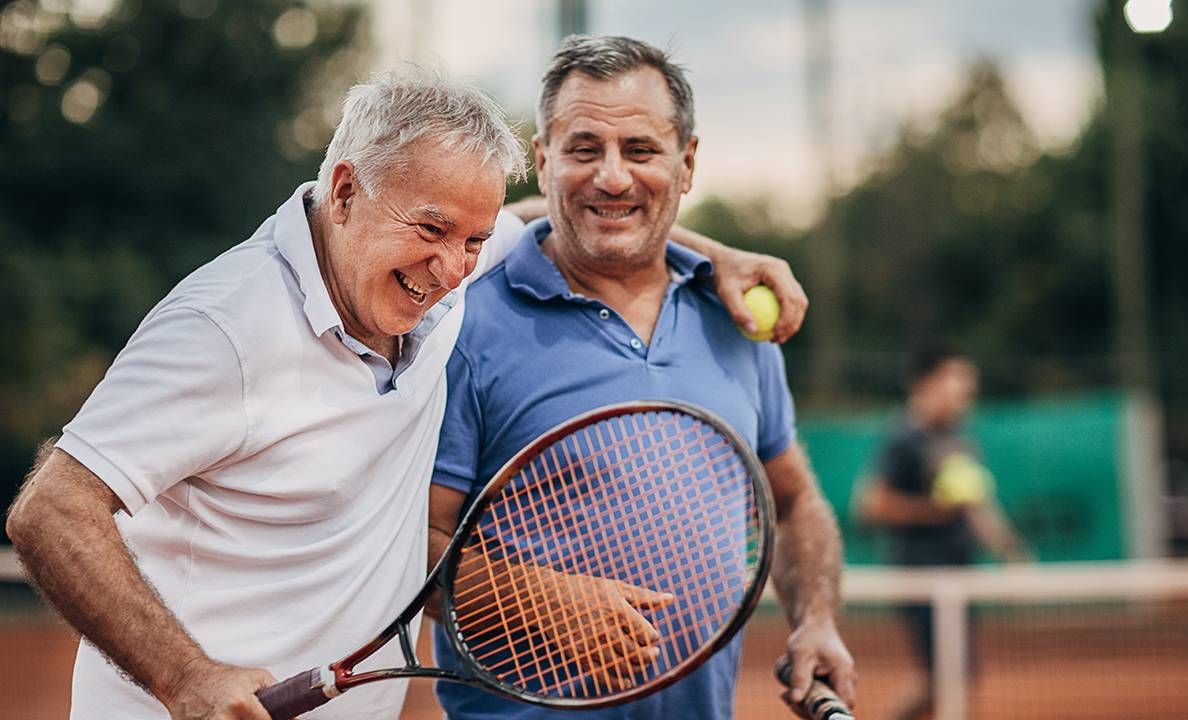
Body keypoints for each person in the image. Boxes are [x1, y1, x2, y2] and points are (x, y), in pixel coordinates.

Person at [5, 66, 808, 720]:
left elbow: (563, 219)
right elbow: (50, 508)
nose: (454, 266)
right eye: (430, 230)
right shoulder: (224, 327)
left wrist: (723, 254)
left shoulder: (436, 278)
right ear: (346, 190)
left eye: (472, 240)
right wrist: (184, 676)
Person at [427, 35, 856, 720]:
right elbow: (408, 541)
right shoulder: (463, 325)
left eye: (642, 150)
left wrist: (817, 618)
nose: (613, 177)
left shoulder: (739, 319)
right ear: (543, 161)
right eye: (584, 148)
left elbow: (794, 500)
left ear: (687, 163)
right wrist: (535, 600)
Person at [857, 342, 1028, 720]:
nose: (964, 398)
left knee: (949, 679)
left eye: (968, 391)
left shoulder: (960, 436)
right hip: (921, 575)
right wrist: (936, 512)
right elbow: (872, 504)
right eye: (956, 388)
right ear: (926, 384)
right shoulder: (903, 435)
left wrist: (1007, 548)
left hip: (959, 572)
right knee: (949, 678)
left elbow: (976, 504)